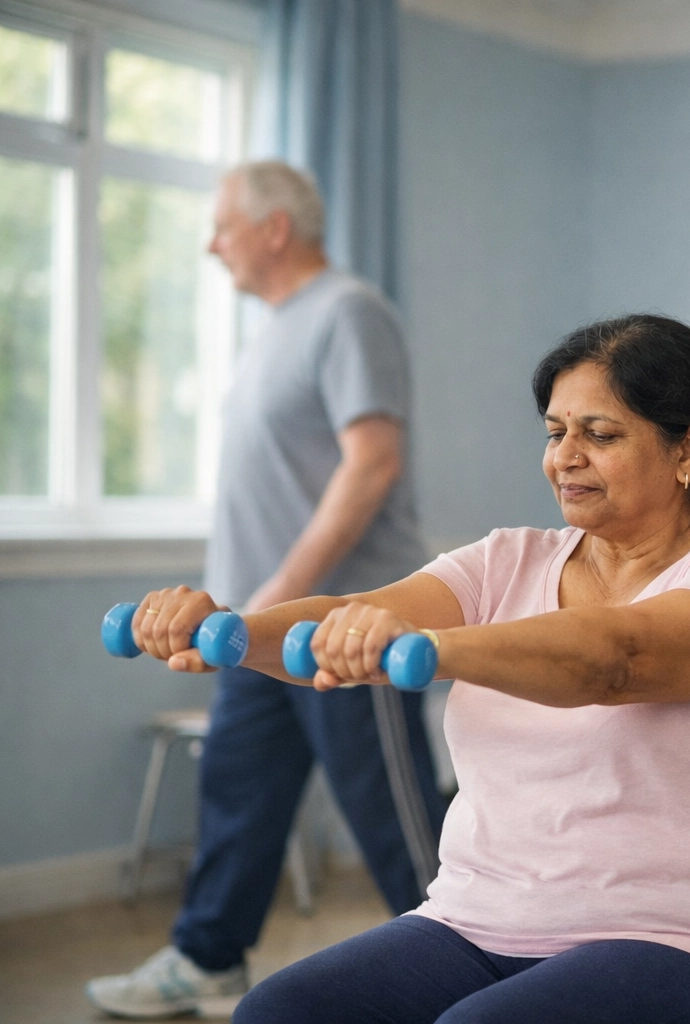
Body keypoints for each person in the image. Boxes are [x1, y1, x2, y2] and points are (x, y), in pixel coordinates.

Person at [118, 315, 690, 1024]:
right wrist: (226, 630)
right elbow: (353, 612)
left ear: (688, 451)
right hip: (481, 920)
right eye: (555, 433)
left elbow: (616, 659)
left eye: (600, 435)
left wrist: (438, 651)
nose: (566, 457)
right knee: (280, 1011)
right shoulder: (505, 559)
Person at [86, 161, 445, 1018]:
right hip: (250, 627)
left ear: (275, 227)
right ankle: (207, 955)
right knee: (237, 794)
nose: (213, 245)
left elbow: (373, 465)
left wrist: (274, 600)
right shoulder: (274, 329)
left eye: (223, 227)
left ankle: (475, 955)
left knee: (398, 827)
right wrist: (243, 616)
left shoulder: (350, 312)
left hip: (342, 623)